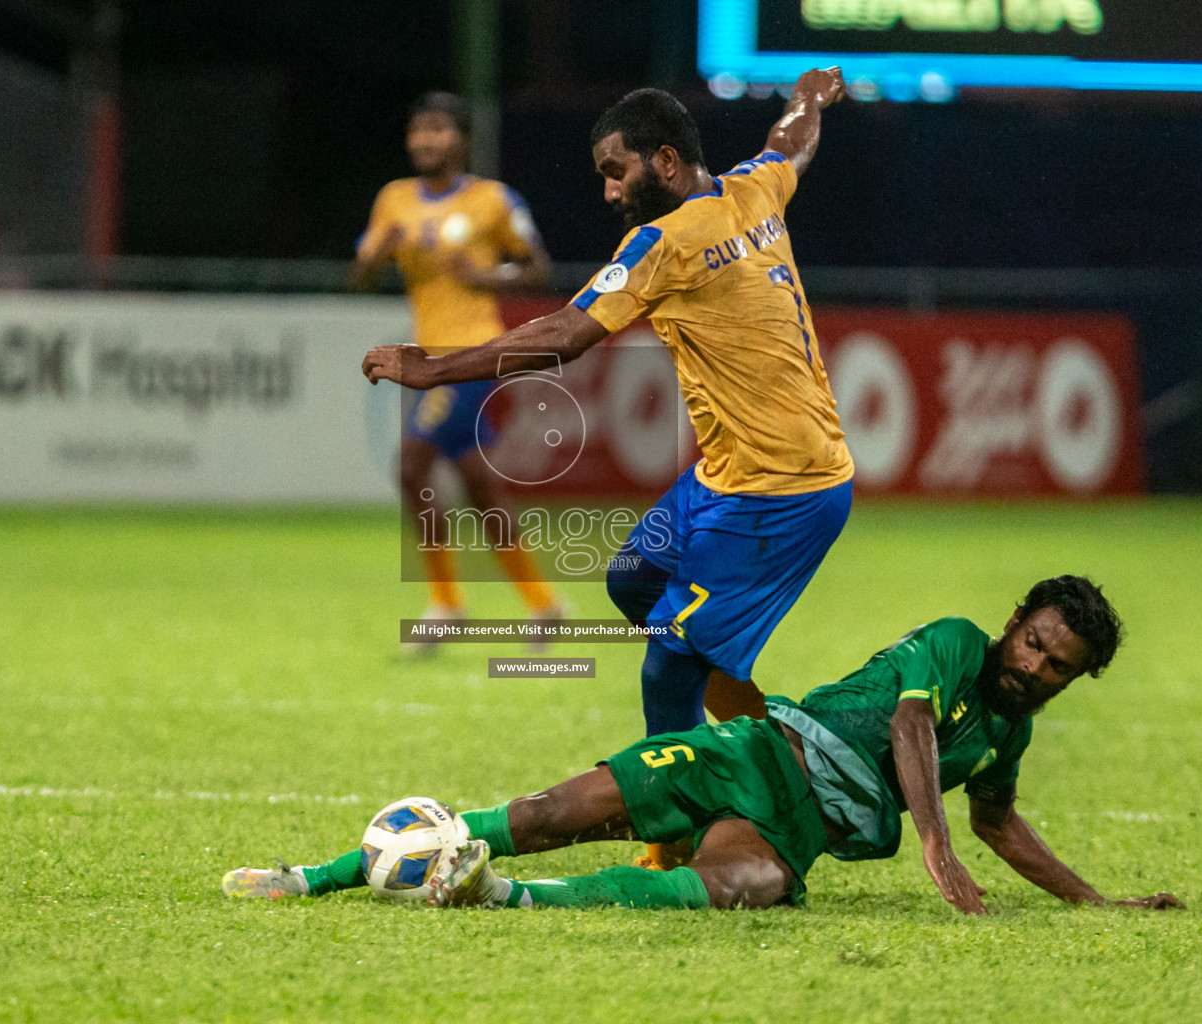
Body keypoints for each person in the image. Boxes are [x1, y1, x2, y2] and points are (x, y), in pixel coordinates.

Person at [363, 71, 854, 853]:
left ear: (664, 162)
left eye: (615, 172)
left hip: (783, 492)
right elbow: (789, 141)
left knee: (666, 669)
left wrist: (434, 366)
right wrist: (811, 96)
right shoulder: (754, 189)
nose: (607, 193)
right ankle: (776, 752)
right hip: (724, 477)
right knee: (632, 581)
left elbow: (565, 335)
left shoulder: (661, 243)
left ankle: (678, 835)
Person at [223, 576, 1184, 915]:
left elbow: (1003, 823)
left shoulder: (1007, 733)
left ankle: (500, 895)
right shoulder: (956, 645)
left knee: (748, 889)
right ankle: (314, 876)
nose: (1034, 667)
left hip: (795, 825)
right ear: (1014, 622)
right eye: (1035, 642)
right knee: (553, 814)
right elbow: (910, 726)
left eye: (1058, 666)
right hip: (755, 752)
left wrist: (1099, 901)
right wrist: (931, 842)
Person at [351, 91, 564, 648]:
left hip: (474, 356)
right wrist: (378, 254)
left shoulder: (493, 201)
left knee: (409, 464)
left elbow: (538, 269)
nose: (425, 139)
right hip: (429, 358)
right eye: (418, 129)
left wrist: (483, 279)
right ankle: (544, 605)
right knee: (477, 489)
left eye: (439, 129)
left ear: (461, 139)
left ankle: (446, 605)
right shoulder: (394, 201)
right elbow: (360, 276)